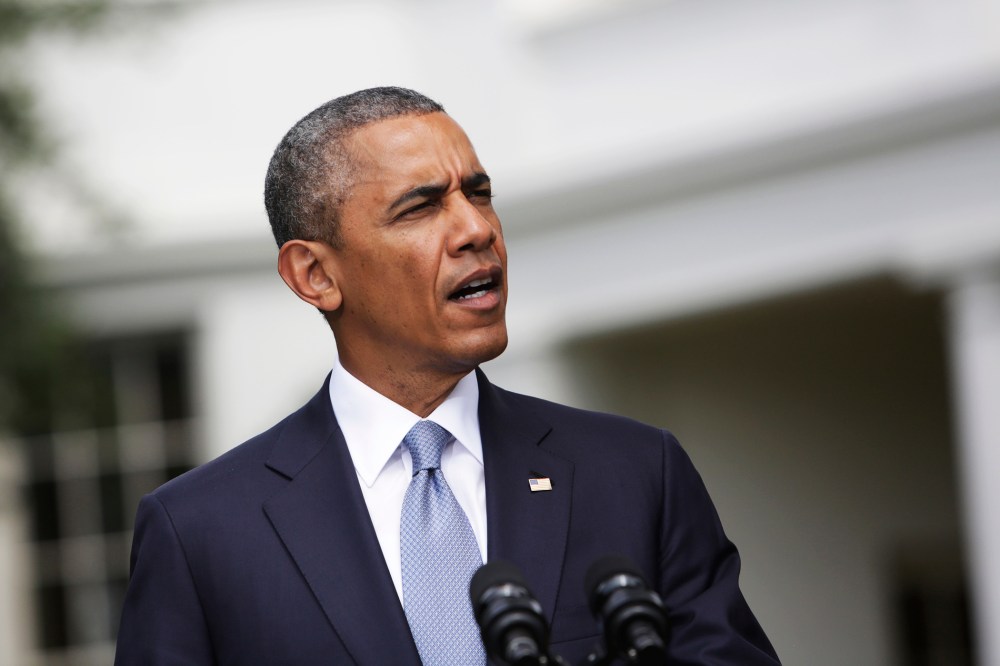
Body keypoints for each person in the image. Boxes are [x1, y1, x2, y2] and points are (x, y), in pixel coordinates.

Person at [114, 87, 780, 665]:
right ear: (315, 275)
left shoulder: (636, 473)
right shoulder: (200, 532)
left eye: (480, 194)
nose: (475, 229)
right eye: (421, 207)